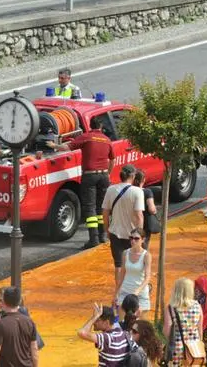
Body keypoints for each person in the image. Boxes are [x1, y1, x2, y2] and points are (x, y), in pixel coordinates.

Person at [46, 117, 114, 248]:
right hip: (104, 176)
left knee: (90, 208)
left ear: (90, 125)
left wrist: (54, 145)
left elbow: (67, 147)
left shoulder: (86, 137)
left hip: (90, 176)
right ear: (101, 127)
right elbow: (112, 160)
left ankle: (93, 239)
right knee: (100, 207)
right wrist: (107, 173)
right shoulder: (107, 139)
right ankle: (102, 236)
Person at [100, 165, 144, 285]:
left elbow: (105, 212)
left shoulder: (111, 190)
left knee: (118, 264)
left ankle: (119, 291)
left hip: (115, 232)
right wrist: (139, 235)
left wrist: (107, 229)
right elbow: (139, 216)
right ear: (133, 176)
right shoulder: (137, 192)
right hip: (132, 235)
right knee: (134, 263)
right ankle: (133, 288)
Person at [0, 286, 39, 367]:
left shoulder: (1, 324)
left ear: (5, 301)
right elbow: (34, 349)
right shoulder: (30, 322)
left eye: (1, 300)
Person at [163, 278, 203, 367]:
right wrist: (199, 343)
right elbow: (200, 329)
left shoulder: (170, 308)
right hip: (193, 348)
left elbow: (167, 330)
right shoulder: (197, 306)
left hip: (177, 347)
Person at [114, 228, 152, 311]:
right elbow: (122, 275)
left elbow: (147, 278)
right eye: (131, 238)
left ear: (143, 240)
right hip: (125, 292)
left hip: (140, 294)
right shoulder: (125, 253)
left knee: (141, 323)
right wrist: (116, 293)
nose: (133, 241)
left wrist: (137, 291)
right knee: (122, 322)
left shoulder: (146, 255)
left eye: (136, 238)